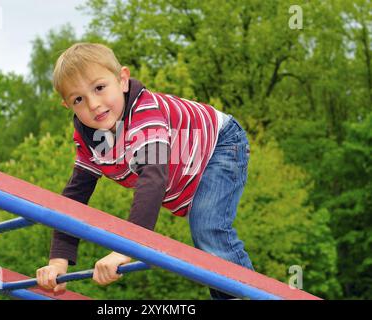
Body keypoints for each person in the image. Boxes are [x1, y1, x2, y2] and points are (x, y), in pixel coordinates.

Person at [36, 42, 254, 299]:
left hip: (220, 144)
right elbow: (75, 196)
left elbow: (152, 177)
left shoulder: (145, 114)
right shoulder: (89, 139)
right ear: (68, 106)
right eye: (79, 99)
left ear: (123, 80)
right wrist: (58, 260)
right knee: (206, 242)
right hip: (183, 171)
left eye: (99, 88)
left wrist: (127, 247)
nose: (93, 104)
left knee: (208, 229)